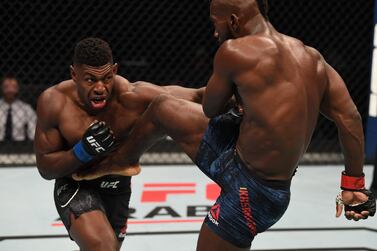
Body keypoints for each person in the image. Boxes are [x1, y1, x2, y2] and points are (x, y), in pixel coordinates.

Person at [73, 1, 376, 250]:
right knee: (164, 107)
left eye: (215, 24)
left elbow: (210, 107)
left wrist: (235, 96)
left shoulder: (234, 52)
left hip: (255, 191)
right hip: (235, 153)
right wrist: (353, 185)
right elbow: (349, 119)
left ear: (233, 21)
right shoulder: (314, 60)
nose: (215, 33)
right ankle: (121, 161)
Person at [34, 37, 203, 251]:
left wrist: (242, 96)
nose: (100, 88)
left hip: (118, 185)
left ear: (114, 71)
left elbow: (197, 96)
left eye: (106, 78)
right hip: (76, 182)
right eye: (90, 79)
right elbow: (46, 168)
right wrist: (82, 151)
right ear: (74, 75)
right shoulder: (54, 102)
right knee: (102, 247)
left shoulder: (131, 97)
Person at [0, 75, 36, 142]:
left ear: (18, 88)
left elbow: (33, 131)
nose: (10, 90)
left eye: (13, 87)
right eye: (6, 87)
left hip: (19, 146)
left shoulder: (26, 108)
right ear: (1, 88)